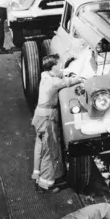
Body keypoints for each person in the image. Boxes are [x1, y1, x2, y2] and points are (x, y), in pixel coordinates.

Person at [32, 55, 83, 192]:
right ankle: (46, 184)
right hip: (47, 118)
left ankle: (37, 175)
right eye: (59, 64)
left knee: (40, 147)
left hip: (39, 116)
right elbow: (70, 81)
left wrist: (64, 72)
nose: (60, 66)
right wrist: (81, 77)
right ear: (53, 66)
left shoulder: (45, 76)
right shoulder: (53, 82)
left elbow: (61, 75)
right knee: (49, 149)